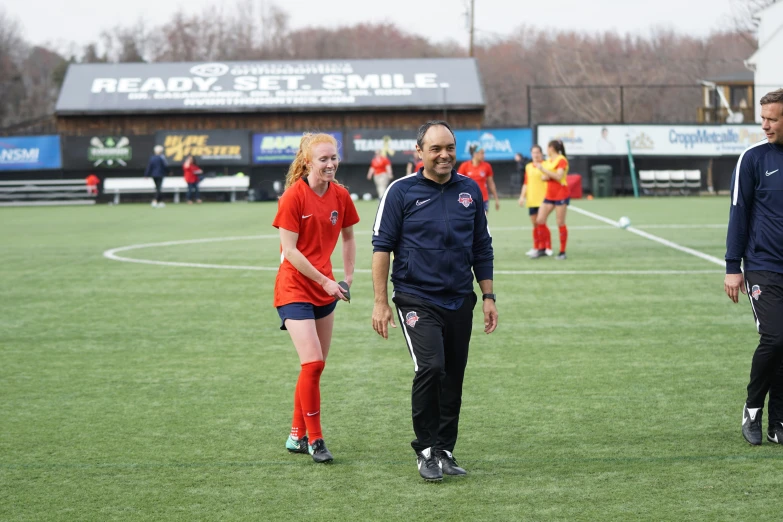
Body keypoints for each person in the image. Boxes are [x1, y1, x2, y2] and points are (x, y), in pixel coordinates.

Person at [371, 120, 498, 482]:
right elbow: (382, 248)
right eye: (436, 149)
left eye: (449, 148)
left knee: (453, 375)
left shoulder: (470, 191)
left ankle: (444, 448)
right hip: (416, 297)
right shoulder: (400, 192)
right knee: (431, 367)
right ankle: (425, 449)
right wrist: (380, 302)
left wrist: (487, 295)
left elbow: (481, 247)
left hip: (460, 298)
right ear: (420, 153)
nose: (444, 155)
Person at [273, 132, 360, 463]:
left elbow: (350, 237)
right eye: (323, 159)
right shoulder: (293, 197)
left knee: (313, 368)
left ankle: (296, 435)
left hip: (325, 288)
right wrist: (325, 281)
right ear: (308, 162)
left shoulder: (340, 195)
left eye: (334, 158)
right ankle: (316, 439)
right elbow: (291, 252)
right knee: (313, 362)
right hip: (294, 288)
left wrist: (347, 277)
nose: (330, 164)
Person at [724, 88, 783, 446]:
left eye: (773, 119)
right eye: (762, 119)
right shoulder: (753, 158)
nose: (765, 125)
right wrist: (733, 266)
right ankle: (752, 409)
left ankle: (778, 421)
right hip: (763, 265)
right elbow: (738, 212)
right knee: (776, 337)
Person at [532, 140, 570, 260]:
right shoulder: (549, 161)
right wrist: (546, 176)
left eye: (547, 148)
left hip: (561, 194)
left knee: (560, 222)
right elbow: (548, 176)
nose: (546, 151)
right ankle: (543, 248)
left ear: (551, 148)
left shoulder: (561, 160)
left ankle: (562, 252)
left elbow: (559, 176)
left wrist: (544, 171)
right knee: (540, 220)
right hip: (549, 195)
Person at [518, 145, 550, 257]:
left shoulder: (546, 165)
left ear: (541, 153)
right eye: (533, 153)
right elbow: (526, 183)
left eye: (537, 152)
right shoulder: (528, 167)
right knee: (535, 224)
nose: (535, 155)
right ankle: (536, 247)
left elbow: (550, 177)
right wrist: (522, 196)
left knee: (542, 223)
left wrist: (546, 176)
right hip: (531, 199)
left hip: (543, 199)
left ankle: (547, 247)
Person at [457, 145, 500, 213]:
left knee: (483, 221)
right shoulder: (464, 166)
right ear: (475, 154)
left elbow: (491, 183)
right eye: (482, 153)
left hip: (483, 198)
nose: (484, 155)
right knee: (470, 221)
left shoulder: (487, 166)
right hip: (468, 199)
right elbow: (458, 183)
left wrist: (496, 199)